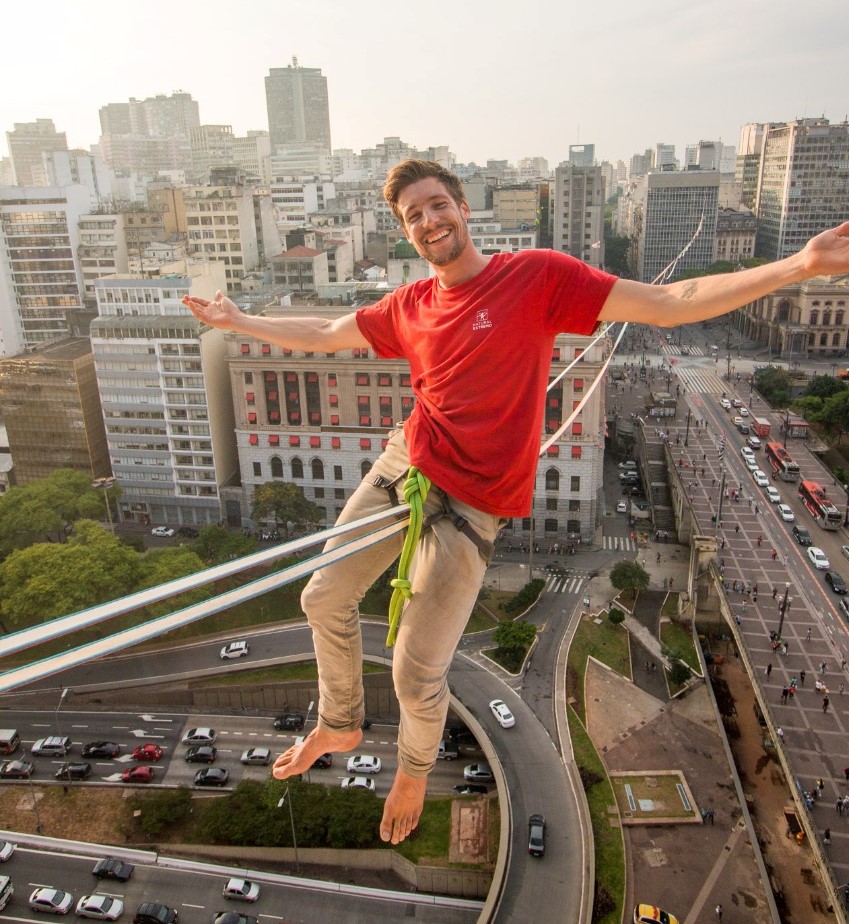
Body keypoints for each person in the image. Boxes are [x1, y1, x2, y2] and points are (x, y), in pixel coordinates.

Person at [183, 160, 849, 845]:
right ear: (406, 232)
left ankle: (413, 767)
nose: (428, 221)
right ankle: (341, 719)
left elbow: (669, 300)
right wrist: (239, 319)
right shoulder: (411, 306)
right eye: (413, 216)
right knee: (322, 597)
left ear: (463, 208)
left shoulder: (534, 278)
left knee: (417, 671)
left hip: (472, 504)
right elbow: (326, 336)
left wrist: (795, 267)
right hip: (405, 464)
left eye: (436, 205)